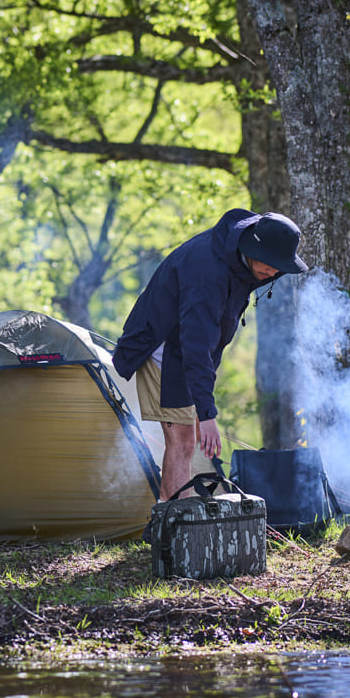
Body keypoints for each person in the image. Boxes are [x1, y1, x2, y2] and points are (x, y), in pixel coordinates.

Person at [113, 208, 309, 501]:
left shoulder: (241, 259)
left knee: (186, 441)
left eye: (279, 267)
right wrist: (207, 414)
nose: (274, 272)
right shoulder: (207, 271)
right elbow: (195, 343)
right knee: (181, 441)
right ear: (253, 248)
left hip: (185, 352)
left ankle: (173, 519)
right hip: (166, 351)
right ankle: (180, 525)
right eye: (271, 264)